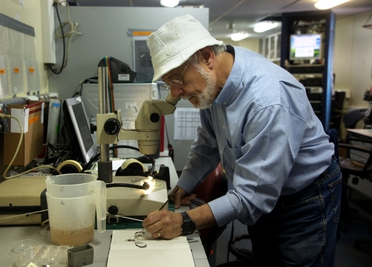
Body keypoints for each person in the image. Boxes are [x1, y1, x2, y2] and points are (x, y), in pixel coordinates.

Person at [142, 14, 342, 266]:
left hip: (305, 199)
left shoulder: (267, 100)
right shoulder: (212, 85)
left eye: (177, 79)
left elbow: (252, 196)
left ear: (206, 57)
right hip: (263, 196)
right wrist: (183, 186)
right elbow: (207, 143)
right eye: (168, 82)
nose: (175, 92)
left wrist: (185, 221)